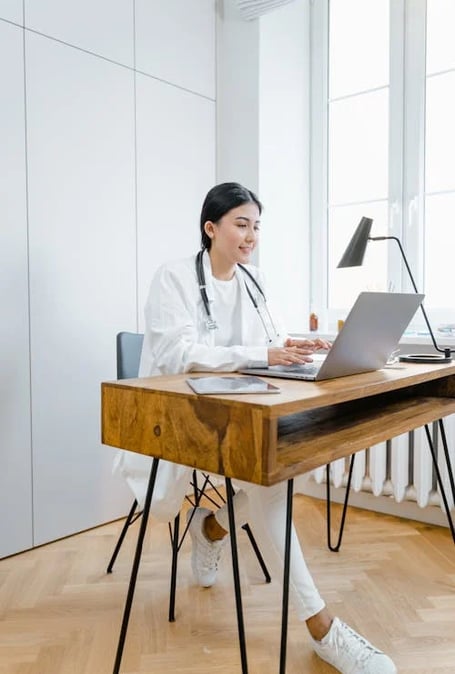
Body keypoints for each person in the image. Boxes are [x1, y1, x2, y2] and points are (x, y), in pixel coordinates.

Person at [116, 182, 397, 674]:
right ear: (211, 228)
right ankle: (322, 628)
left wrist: (296, 348)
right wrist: (259, 354)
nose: (251, 236)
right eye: (241, 224)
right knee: (274, 481)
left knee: (290, 465)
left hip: (240, 414)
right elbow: (178, 355)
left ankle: (213, 525)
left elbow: (270, 341)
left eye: (256, 226)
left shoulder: (254, 279)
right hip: (177, 422)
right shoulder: (174, 278)